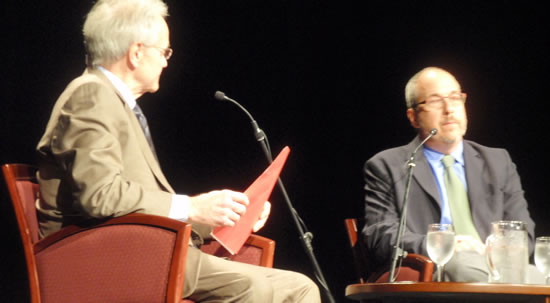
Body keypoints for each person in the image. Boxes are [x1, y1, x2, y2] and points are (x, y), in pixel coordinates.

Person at [35, 0, 320, 301]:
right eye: (164, 51)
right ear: (136, 52)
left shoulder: (117, 105)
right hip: (109, 259)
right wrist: (193, 207)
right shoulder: (90, 96)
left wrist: (225, 218)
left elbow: (137, 205)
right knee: (257, 289)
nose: (166, 61)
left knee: (300, 288)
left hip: (143, 250)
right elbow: (100, 197)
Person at [362, 66, 542, 283]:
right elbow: (380, 237)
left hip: (495, 265)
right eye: (436, 100)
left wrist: (498, 251)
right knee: (463, 268)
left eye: (455, 98)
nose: (449, 109)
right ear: (414, 117)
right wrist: (445, 244)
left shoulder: (497, 161)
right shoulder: (389, 165)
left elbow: (523, 230)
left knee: (541, 277)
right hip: (437, 268)